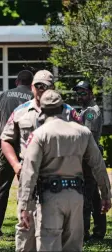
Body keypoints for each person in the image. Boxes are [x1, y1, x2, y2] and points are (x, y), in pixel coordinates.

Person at [18, 90, 111, 251]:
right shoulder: (82, 132)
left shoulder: (40, 134)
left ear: (42, 110)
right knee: (73, 247)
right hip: (76, 197)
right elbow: (98, 165)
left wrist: (25, 205)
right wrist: (106, 195)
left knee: (49, 245)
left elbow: (29, 172)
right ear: (63, 108)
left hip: (50, 197)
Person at [0, 70, 82, 251]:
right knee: (25, 225)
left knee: (58, 229)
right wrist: (15, 165)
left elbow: (82, 139)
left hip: (58, 178)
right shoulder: (20, 112)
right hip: (28, 176)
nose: (41, 89)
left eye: (45, 86)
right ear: (31, 87)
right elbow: (5, 139)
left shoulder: (68, 112)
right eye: (38, 85)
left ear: (52, 88)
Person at [0, 70, 34, 240]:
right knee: (31, 190)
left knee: (0, 189)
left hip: (6, 149)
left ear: (16, 81)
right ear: (31, 83)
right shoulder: (35, 98)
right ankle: (32, 228)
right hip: (29, 150)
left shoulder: (2, 96)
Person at [73, 80, 106, 241]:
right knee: (93, 195)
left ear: (91, 94)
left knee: (86, 195)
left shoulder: (91, 112)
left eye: (83, 93)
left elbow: (88, 137)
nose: (80, 96)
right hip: (86, 156)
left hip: (88, 157)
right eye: (78, 93)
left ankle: (84, 233)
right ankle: (99, 230)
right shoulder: (84, 110)